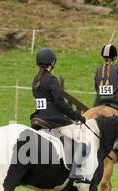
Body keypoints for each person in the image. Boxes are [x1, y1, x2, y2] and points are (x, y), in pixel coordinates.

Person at [30, 47, 90, 183]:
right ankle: (76, 173)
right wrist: (77, 116)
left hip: (38, 118)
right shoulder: (51, 79)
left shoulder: (35, 80)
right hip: (52, 119)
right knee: (83, 142)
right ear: (52, 62)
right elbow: (60, 103)